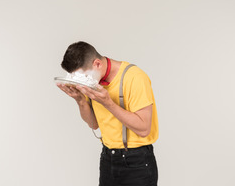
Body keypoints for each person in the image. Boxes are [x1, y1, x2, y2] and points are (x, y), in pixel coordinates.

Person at [56, 41, 159, 186]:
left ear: (97, 64)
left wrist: (108, 103)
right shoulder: (93, 82)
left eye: (84, 77)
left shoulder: (135, 77)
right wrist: (80, 100)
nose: (83, 82)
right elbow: (93, 124)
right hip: (107, 158)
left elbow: (144, 128)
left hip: (137, 161)